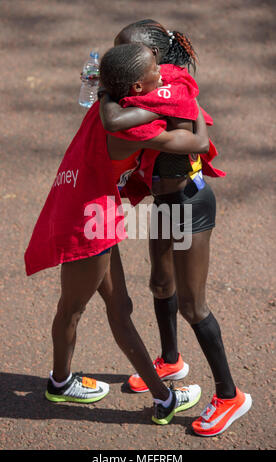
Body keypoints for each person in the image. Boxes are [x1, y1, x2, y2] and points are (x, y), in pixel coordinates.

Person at [25, 43, 208, 424]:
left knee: (116, 307)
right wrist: (191, 104)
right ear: (137, 89)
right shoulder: (135, 127)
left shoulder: (111, 105)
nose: (160, 75)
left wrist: (114, 87)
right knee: (76, 309)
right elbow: (197, 143)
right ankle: (163, 399)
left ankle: (64, 382)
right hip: (88, 222)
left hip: (90, 208)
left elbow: (129, 92)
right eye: (153, 73)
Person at [99, 20, 252, 436]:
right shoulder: (155, 84)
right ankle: (171, 361)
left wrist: (103, 89)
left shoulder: (171, 88)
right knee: (159, 284)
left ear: (156, 60)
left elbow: (115, 124)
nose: (120, 61)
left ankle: (229, 396)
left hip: (190, 204)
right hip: (165, 201)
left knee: (192, 305)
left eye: (128, 55)